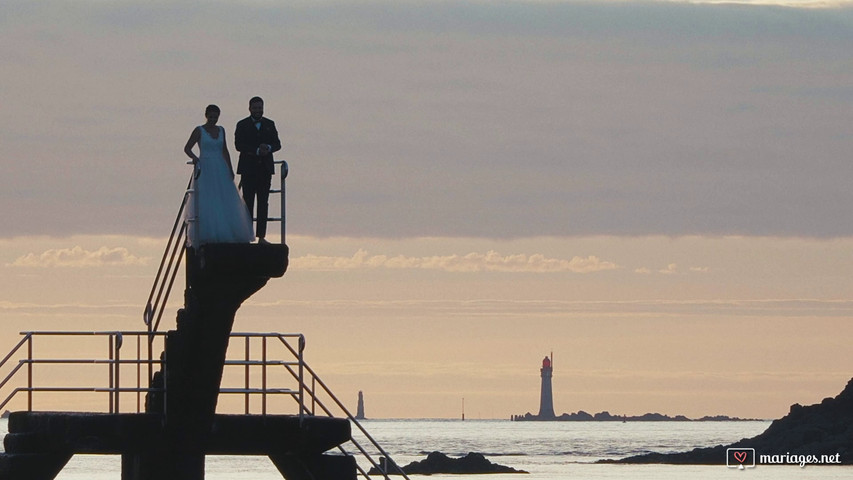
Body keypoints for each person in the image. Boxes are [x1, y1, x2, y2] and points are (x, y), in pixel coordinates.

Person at [183, 104, 254, 245]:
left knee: (224, 199)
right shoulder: (199, 130)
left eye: (215, 117)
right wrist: (195, 158)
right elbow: (187, 148)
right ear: (206, 115)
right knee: (207, 199)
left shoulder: (221, 130)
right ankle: (206, 233)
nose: (213, 119)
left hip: (220, 167)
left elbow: (225, 150)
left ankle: (229, 231)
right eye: (211, 117)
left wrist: (230, 168)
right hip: (206, 167)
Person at [234, 96, 282, 244]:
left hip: (265, 169)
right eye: (255, 108)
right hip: (248, 169)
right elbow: (239, 145)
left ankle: (261, 236)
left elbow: (277, 144)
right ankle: (247, 236)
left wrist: (268, 148)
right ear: (249, 108)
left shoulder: (270, 124)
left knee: (263, 202)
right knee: (247, 202)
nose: (257, 110)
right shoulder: (242, 125)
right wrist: (255, 150)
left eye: (260, 108)